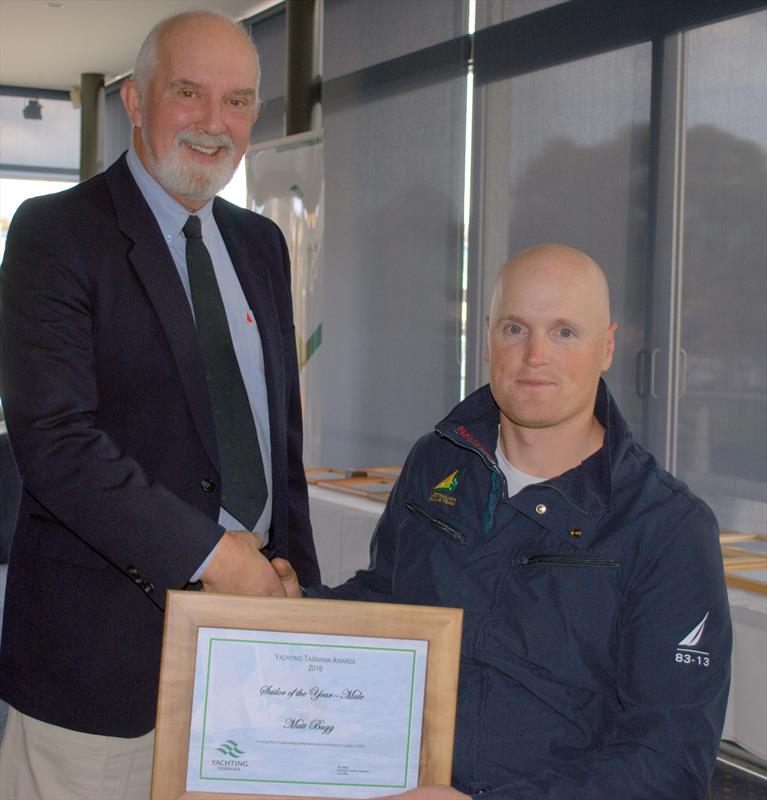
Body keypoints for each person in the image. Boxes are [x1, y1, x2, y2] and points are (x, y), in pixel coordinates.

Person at [275, 244, 732, 800]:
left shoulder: (667, 528)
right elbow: (387, 604)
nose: (535, 354)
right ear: (489, 335)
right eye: (516, 328)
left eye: (565, 332)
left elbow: (667, 759)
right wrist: (291, 608)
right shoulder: (437, 461)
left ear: (608, 346)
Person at [0, 10, 319, 799]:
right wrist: (216, 560)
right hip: (99, 671)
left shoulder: (259, 245)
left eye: (239, 101)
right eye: (189, 93)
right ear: (137, 101)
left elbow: (278, 438)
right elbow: (57, 445)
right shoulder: (55, 232)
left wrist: (296, 592)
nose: (216, 124)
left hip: (248, 659)